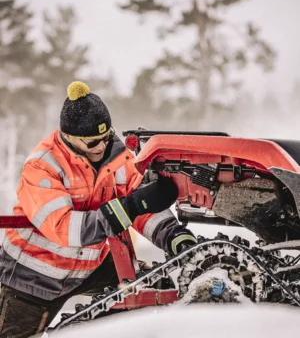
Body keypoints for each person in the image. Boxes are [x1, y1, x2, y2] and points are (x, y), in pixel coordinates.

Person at [0, 81, 196, 337]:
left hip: (89, 267)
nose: (102, 147)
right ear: (67, 137)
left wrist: (173, 236)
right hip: (33, 276)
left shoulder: (117, 158)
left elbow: (140, 206)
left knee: (151, 290)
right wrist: (131, 205)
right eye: (93, 143)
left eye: (106, 137)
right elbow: (66, 229)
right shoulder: (42, 167)